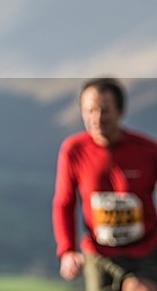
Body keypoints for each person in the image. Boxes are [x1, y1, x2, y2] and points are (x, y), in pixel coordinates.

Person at [53, 78, 157, 291]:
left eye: (105, 110)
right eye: (90, 111)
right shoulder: (74, 150)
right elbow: (64, 202)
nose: (97, 119)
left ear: (120, 111)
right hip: (98, 254)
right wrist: (67, 250)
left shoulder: (148, 150)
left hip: (144, 251)